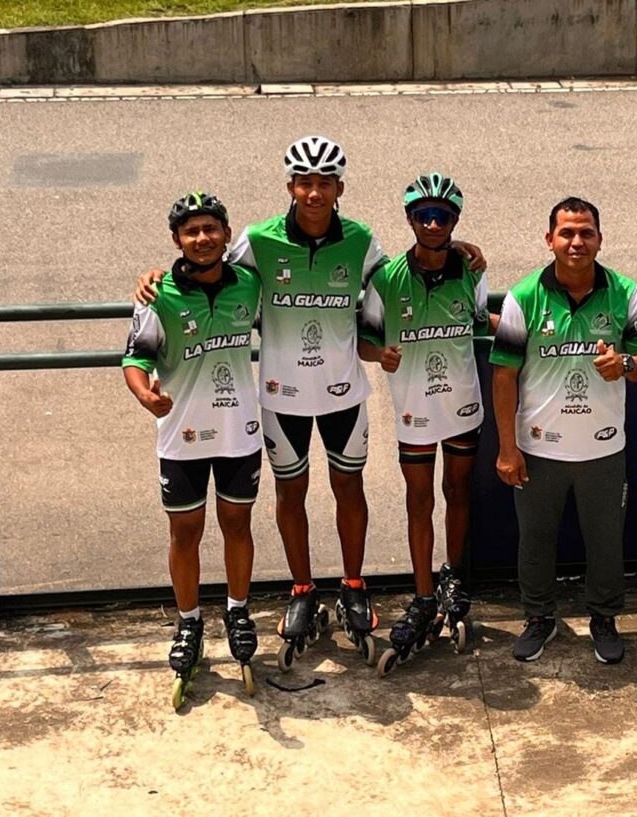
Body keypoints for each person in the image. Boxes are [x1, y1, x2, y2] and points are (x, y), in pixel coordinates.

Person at [135, 136, 485, 670]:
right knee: (290, 493)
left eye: (324, 183)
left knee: (350, 488)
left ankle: (353, 585)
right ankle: (302, 589)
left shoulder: (361, 240)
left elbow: (407, 270)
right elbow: (203, 265)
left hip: (344, 392)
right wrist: (155, 276)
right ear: (291, 186)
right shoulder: (258, 240)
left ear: (339, 188)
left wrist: (456, 249)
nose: (314, 192)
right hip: (282, 397)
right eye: (304, 182)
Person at [491, 196, 637, 664]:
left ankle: (603, 617)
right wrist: (507, 448)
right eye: (566, 232)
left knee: (606, 541)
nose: (576, 242)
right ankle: (538, 617)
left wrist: (625, 364)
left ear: (600, 239)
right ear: (549, 239)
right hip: (538, 447)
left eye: (586, 233)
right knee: (535, 539)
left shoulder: (625, 292)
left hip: (603, 448)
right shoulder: (523, 296)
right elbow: (504, 375)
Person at [123, 192, 261, 708]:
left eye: (210, 229)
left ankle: (238, 611)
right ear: (177, 240)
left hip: (238, 430)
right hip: (180, 435)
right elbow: (135, 358)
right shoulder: (156, 295)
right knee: (185, 532)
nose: (202, 238)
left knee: (237, 525)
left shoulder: (251, 283)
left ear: (227, 234)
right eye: (191, 231)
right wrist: (145, 395)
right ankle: (189, 623)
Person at [359, 173, 496, 676]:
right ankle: (422, 595)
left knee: (457, 491)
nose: (434, 224)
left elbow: (480, 322)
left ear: (455, 221)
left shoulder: (471, 271)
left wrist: (531, 332)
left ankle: (452, 577)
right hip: (413, 407)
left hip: (462, 403)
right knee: (419, 499)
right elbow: (363, 339)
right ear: (410, 219)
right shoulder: (386, 279)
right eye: (424, 215)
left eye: (443, 216)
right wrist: (380, 355)